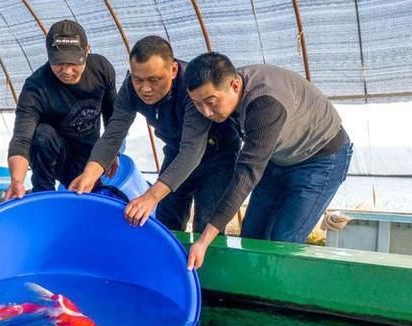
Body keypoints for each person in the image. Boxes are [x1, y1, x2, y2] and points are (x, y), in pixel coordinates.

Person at [184, 52, 354, 269]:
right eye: (198, 104)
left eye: (211, 102)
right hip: (278, 157)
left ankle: (282, 297)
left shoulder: (266, 104)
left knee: (282, 242)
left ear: (235, 86)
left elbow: (246, 174)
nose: (206, 112)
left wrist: (204, 240)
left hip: (321, 158)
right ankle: (251, 290)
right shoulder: (225, 93)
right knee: (252, 233)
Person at [69, 36, 240, 232]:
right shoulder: (130, 90)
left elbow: (192, 150)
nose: (145, 88)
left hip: (216, 157)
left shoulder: (191, 88)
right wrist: (89, 175)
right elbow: (113, 134)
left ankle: (205, 262)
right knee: (166, 220)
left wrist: (150, 196)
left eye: (154, 80)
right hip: (176, 152)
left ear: (173, 70)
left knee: (206, 223)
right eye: (138, 79)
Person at [5, 20, 116, 200]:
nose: (67, 71)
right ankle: (43, 195)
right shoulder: (36, 86)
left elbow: (113, 118)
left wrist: (111, 154)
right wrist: (17, 180)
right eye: (58, 63)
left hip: (90, 159)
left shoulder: (101, 70)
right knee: (42, 134)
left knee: (92, 204)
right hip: (54, 158)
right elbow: (21, 139)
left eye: (74, 63)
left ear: (87, 50)